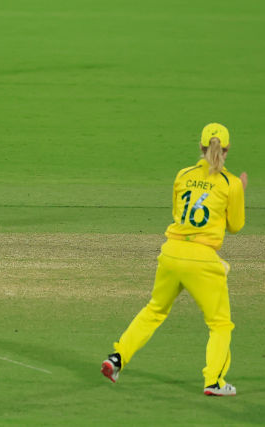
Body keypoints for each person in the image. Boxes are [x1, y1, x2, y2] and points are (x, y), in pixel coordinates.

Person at [101, 123, 247, 397]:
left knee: (154, 310)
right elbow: (235, 226)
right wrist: (241, 194)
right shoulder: (232, 184)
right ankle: (214, 381)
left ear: (201, 147)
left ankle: (117, 358)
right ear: (226, 150)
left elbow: (177, 212)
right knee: (220, 324)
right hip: (203, 260)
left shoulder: (183, 175)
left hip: (171, 253)